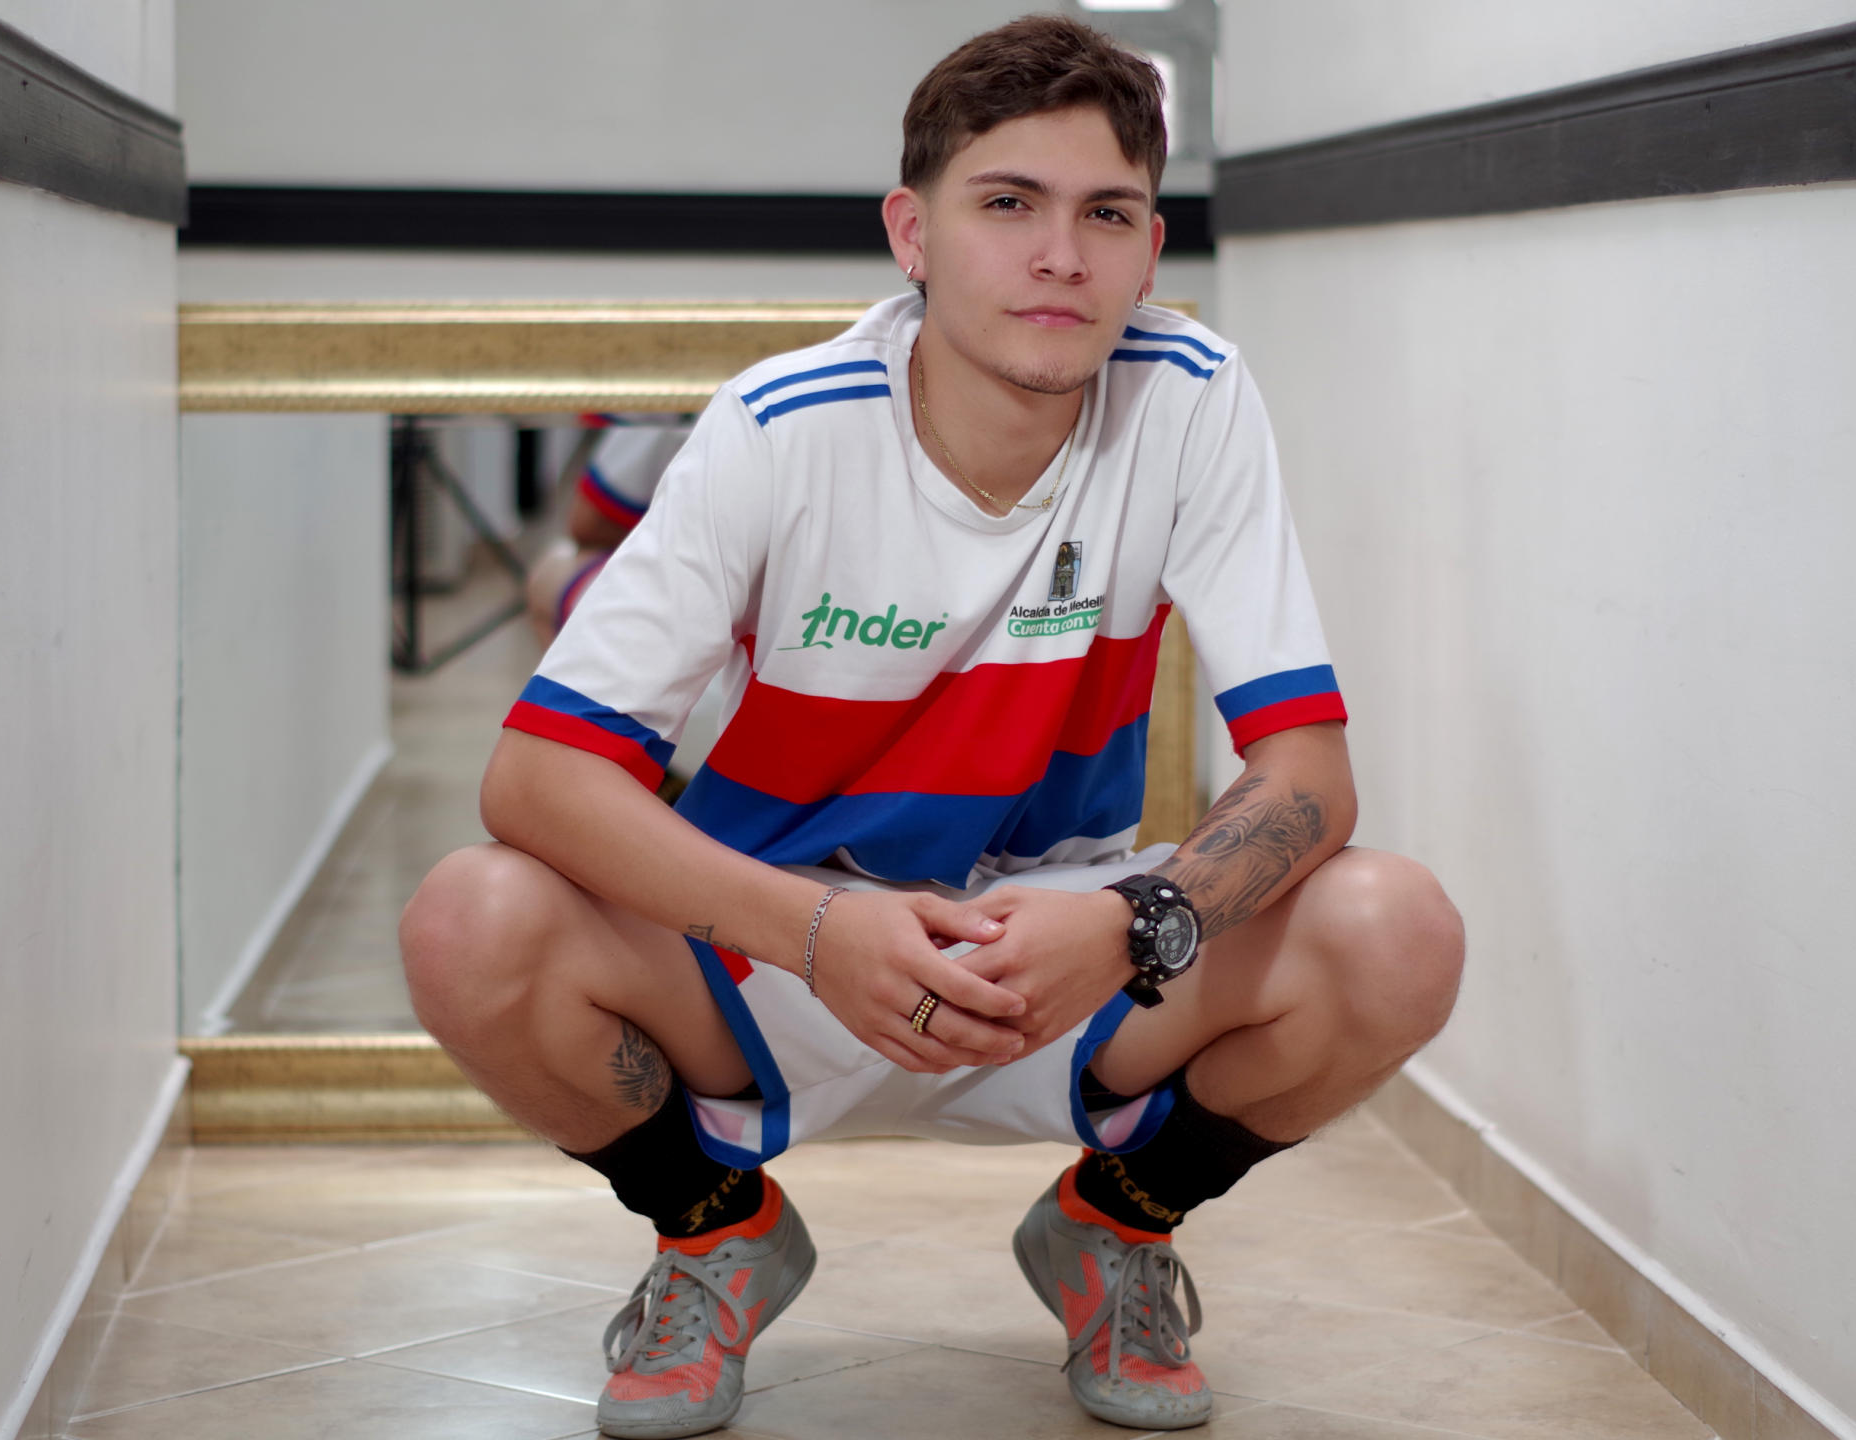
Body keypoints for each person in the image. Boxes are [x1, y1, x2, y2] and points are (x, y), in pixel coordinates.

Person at [401, 15, 1464, 1438]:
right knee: (469, 920)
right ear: (912, 233)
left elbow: (1307, 779)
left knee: (1395, 929)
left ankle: (1114, 1225)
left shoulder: (1192, 397)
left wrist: (1128, 926)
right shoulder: (779, 426)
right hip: (775, 941)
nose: (1060, 256)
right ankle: (712, 1233)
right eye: (1007, 204)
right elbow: (537, 779)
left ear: (1150, 250)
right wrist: (817, 933)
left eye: (1106, 214)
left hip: (1062, 943)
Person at [524, 415, 694, 646]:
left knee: (552, 571)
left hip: (698, 613)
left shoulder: (690, 397)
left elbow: (588, 522)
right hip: (730, 611)